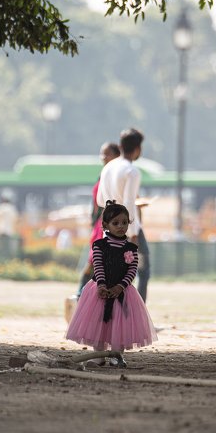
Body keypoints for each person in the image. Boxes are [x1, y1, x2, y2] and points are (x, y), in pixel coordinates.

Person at [65, 201, 157, 365]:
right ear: (106, 225)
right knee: (98, 322)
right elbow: (98, 265)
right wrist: (101, 285)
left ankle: (116, 355)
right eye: (115, 223)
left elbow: (132, 270)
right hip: (100, 290)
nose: (120, 226)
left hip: (123, 291)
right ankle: (98, 355)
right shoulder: (100, 245)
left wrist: (120, 286)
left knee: (119, 324)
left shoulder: (131, 248)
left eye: (124, 222)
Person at [96, 128, 150, 303]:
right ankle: (136, 317)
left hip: (109, 229)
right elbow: (128, 204)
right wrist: (133, 233)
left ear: (120, 146)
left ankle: (110, 317)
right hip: (128, 230)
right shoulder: (131, 171)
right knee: (140, 271)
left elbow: (100, 200)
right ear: (138, 149)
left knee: (112, 273)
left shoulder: (108, 168)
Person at [75, 141, 120, 297]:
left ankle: (83, 296)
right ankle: (80, 295)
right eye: (102, 153)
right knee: (93, 261)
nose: (103, 157)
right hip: (100, 227)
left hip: (109, 226)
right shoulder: (104, 175)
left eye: (107, 153)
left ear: (117, 155)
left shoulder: (115, 175)